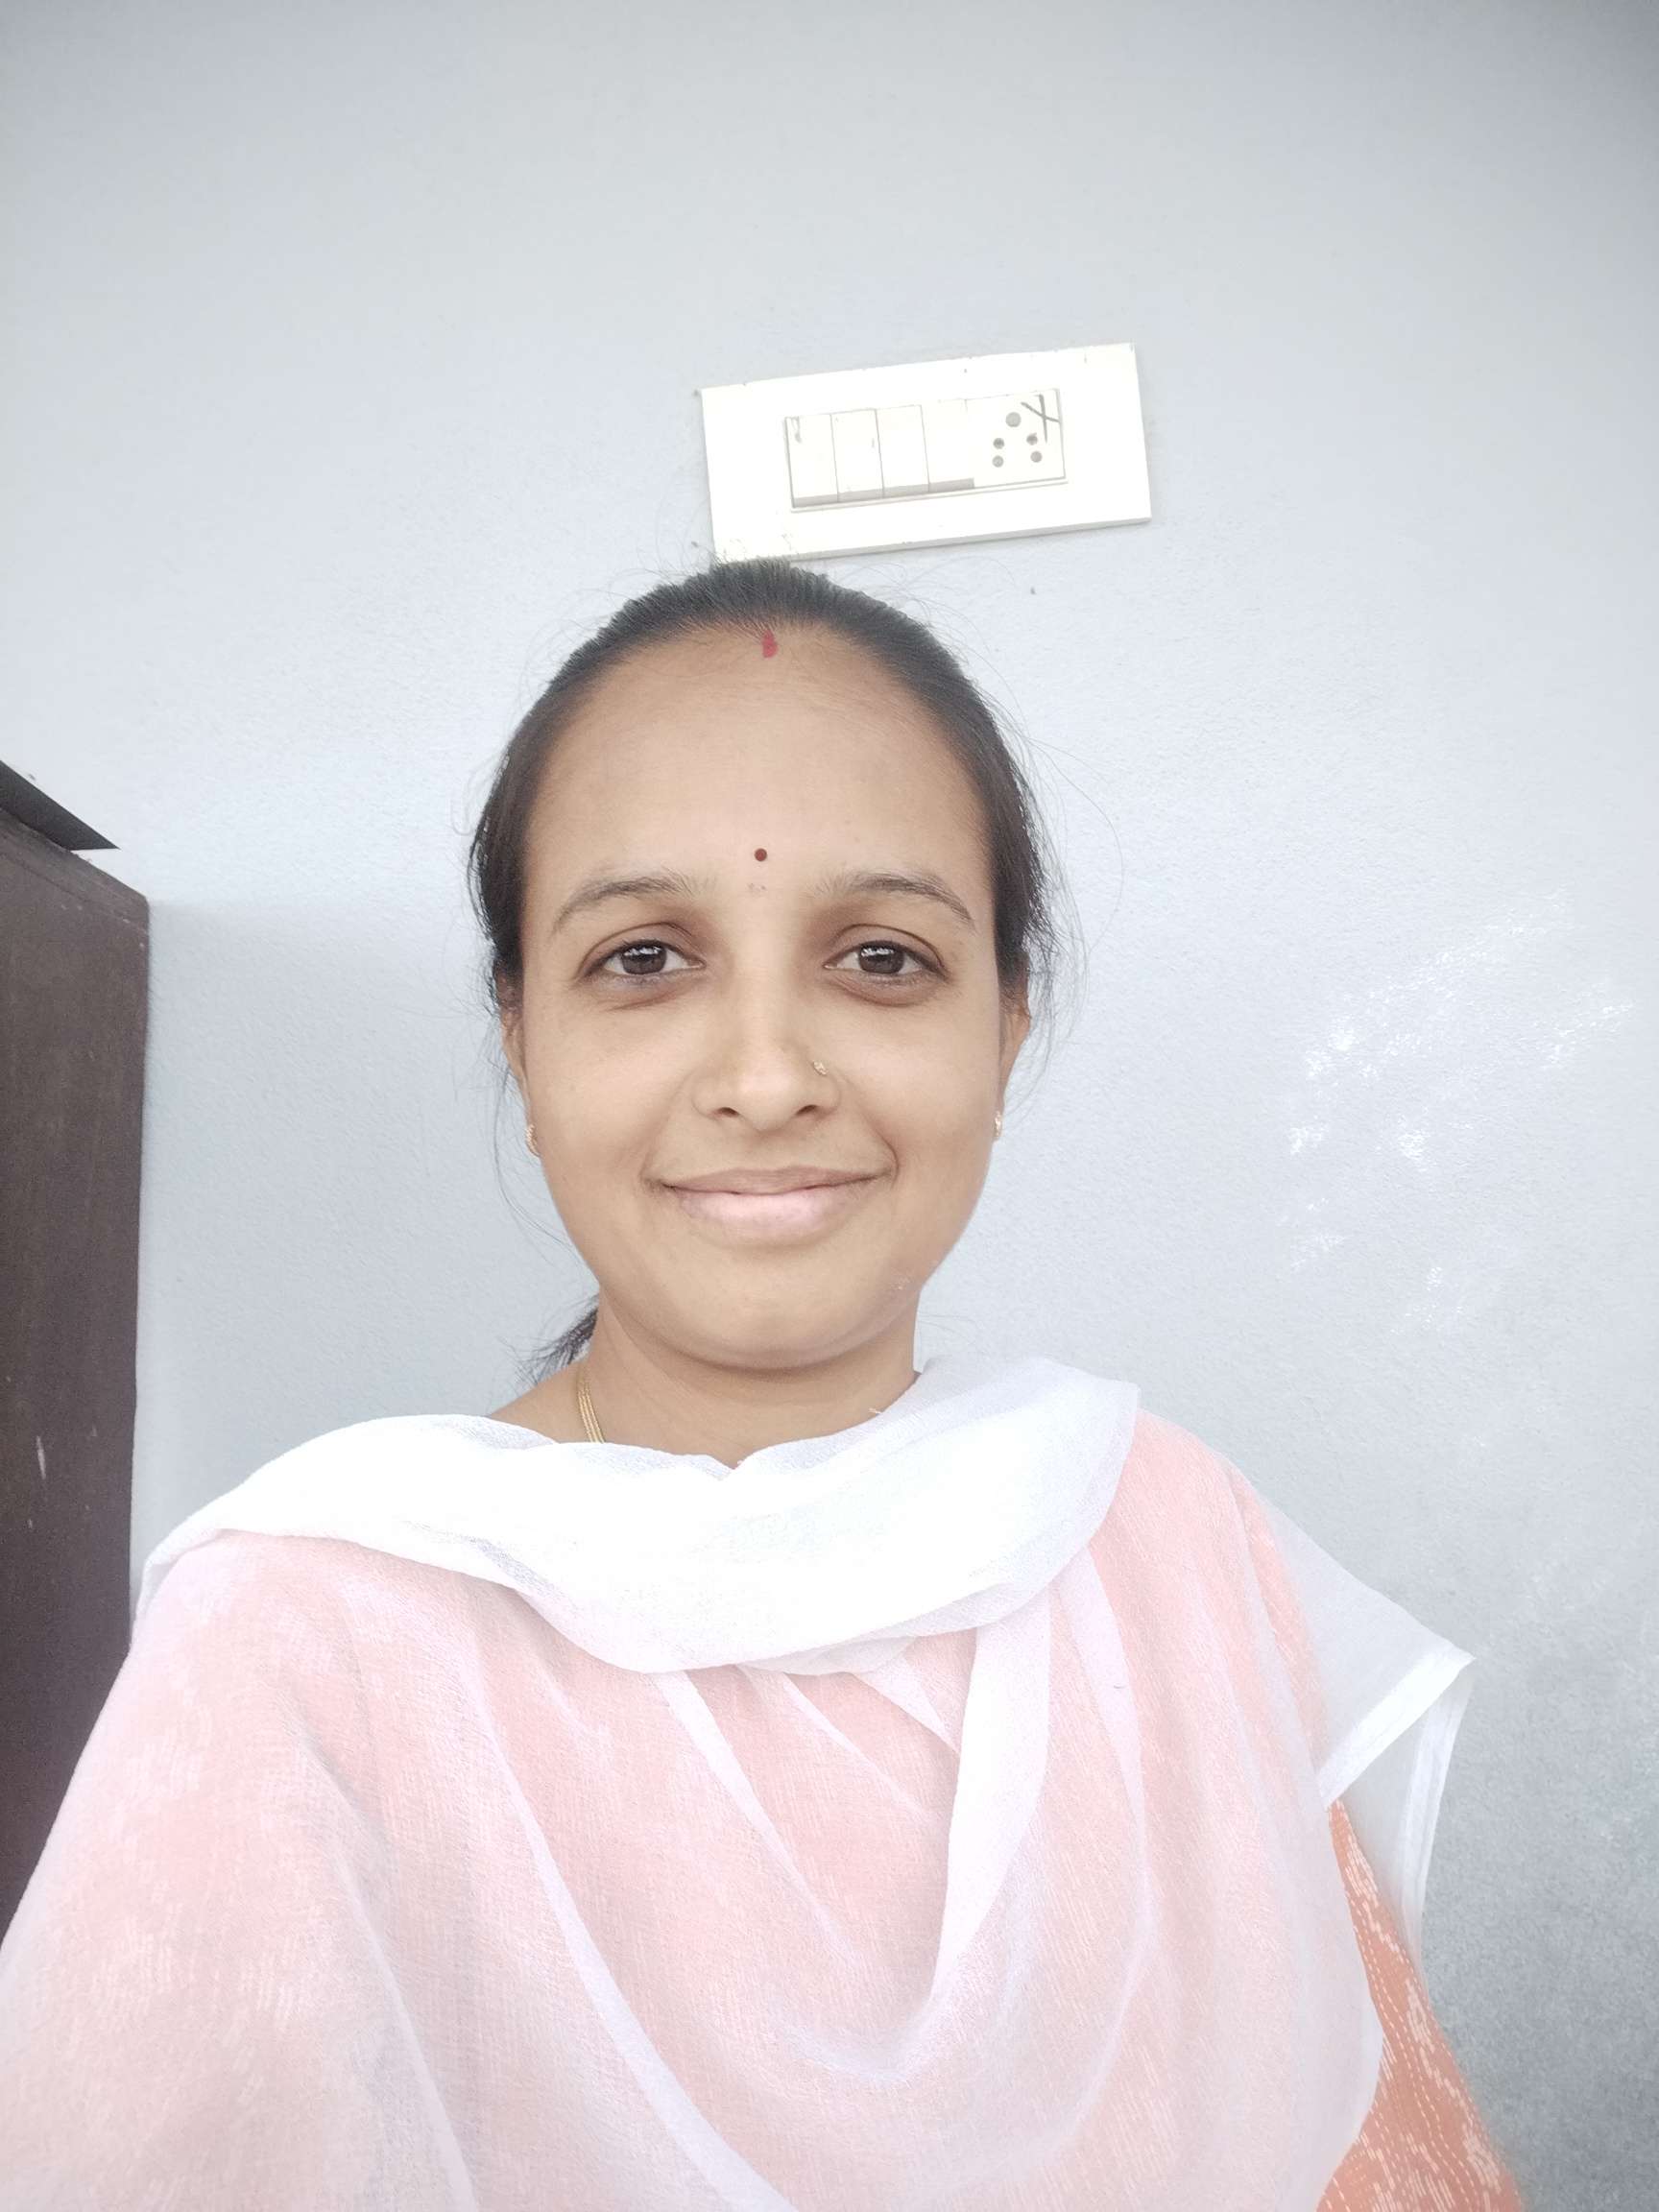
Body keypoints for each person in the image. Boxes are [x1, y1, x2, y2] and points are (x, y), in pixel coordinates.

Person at [0, 559, 1524, 2208]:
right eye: (646, 959)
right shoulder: (309, 1629)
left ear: (1007, 1027)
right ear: (521, 1034)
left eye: (881, 958)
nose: (767, 1077)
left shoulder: (1163, 1541)